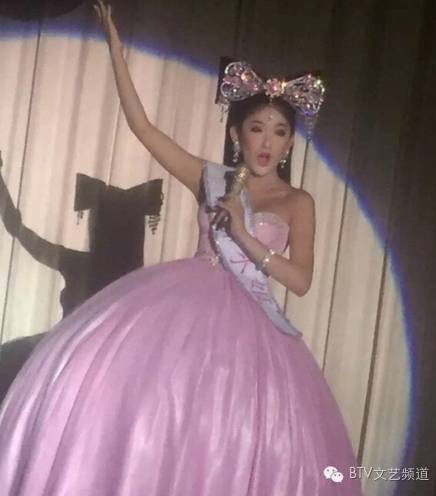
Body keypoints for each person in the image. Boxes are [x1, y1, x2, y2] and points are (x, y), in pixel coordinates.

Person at [0, 1, 362, 494]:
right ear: (236, 134)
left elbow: (300, 281)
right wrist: (116, 48)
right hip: (181, 313)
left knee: (232, 440)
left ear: (290, 143)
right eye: (257, 128)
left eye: (280, 132)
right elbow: (143, 129)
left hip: (251, 337)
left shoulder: (298, 202)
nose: (267, 142)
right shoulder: (209, 178)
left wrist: (244, 236)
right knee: (152, 417)